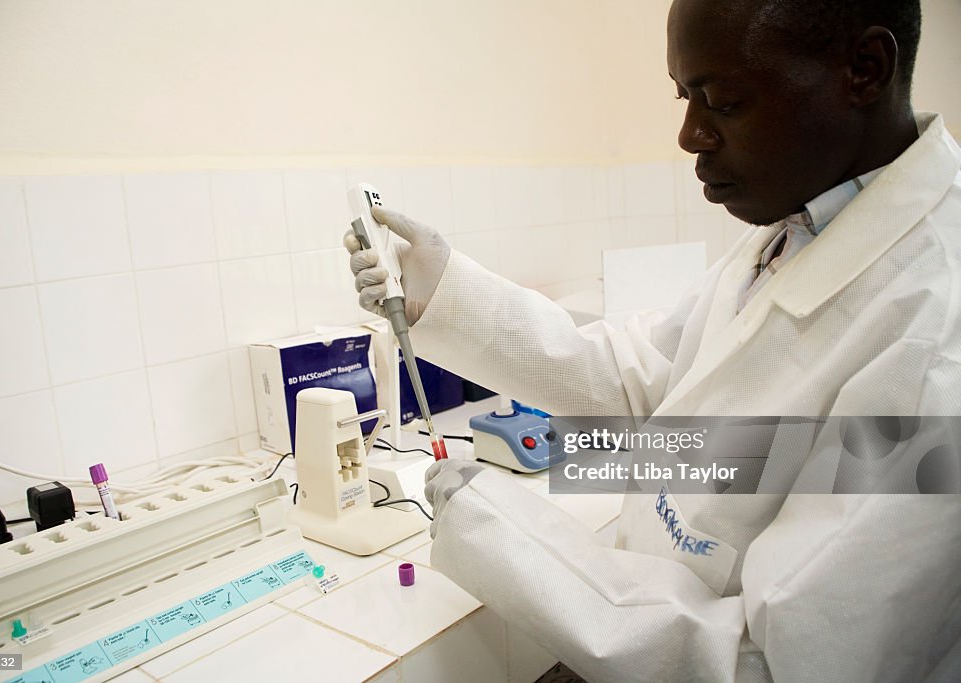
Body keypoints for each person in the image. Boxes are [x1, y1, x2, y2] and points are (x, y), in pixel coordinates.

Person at [344, 1, 961, 681]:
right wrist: (450, 296)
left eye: (723, 101)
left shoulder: (937, 344)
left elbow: (771, 663)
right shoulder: (807, 223)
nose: (691, 134)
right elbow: (646, 377)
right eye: (684, 95)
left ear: (864, 70)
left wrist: (506, 536)